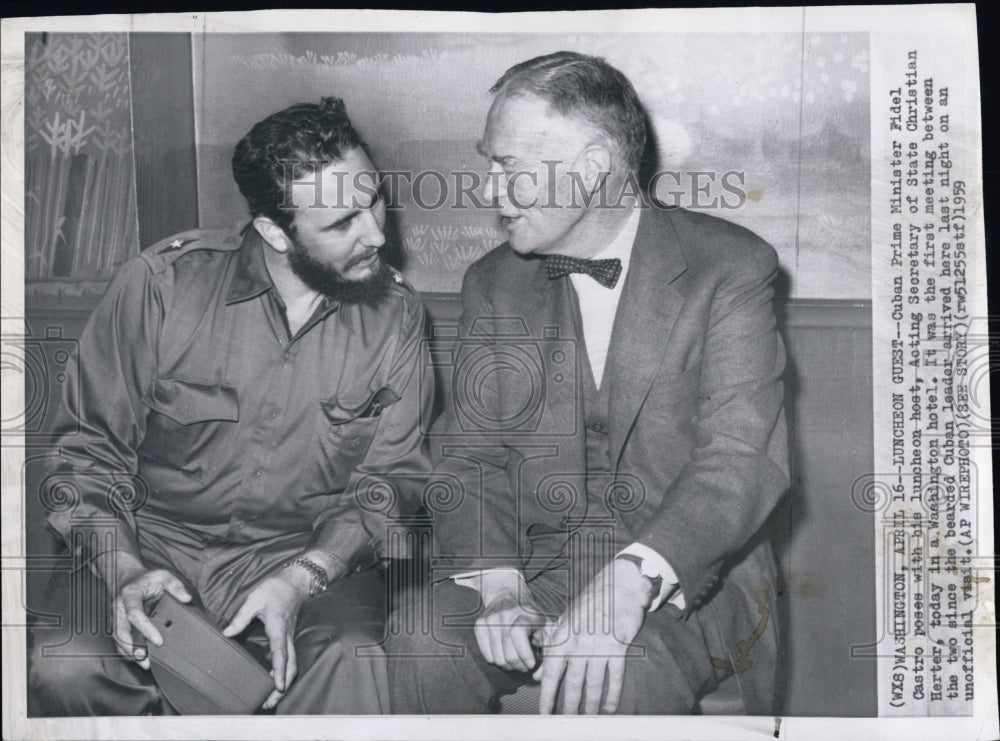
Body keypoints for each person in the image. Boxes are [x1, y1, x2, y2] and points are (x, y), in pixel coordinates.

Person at [388, 52, 789, 715]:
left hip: (691, 573)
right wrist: (498, 585)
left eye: (507, 166)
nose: (489, 192)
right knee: (419, 637)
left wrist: (634, 576)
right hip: (538, 563)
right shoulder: (492, 282)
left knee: (619, 675)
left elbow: (739, 460)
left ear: (592, 165)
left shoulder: (731, 268)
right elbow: (470, 458)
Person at [28, 97, 432, 715]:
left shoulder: (396, 318)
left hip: (304, 558)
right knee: (68, 663)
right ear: (275, 231)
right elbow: (85, 453)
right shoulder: (161, 287)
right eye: (343, 221)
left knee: (353, 658)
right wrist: (123, 570)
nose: (376, 233)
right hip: (149, 543)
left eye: (374, 199)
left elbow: (392, 480)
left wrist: (305, 578)